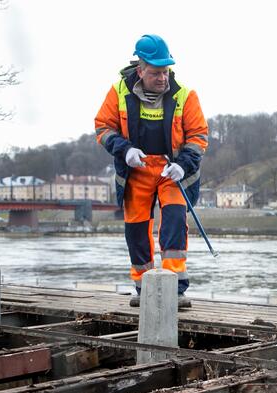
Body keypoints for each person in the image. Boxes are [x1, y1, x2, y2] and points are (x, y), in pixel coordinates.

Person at [95, 34, 208, 308]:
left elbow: (198, 136)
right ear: (140, 69)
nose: (162, 78)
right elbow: (103, 127)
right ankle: (143, 287)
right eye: (156, 72)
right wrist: (125, 150)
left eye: (166, 71)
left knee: (173, 223)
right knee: (135, 228)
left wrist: (182, 165)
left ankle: (174, 288)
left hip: (172, 171)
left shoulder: (185, 95)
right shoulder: (118, 92)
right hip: (137, 169)